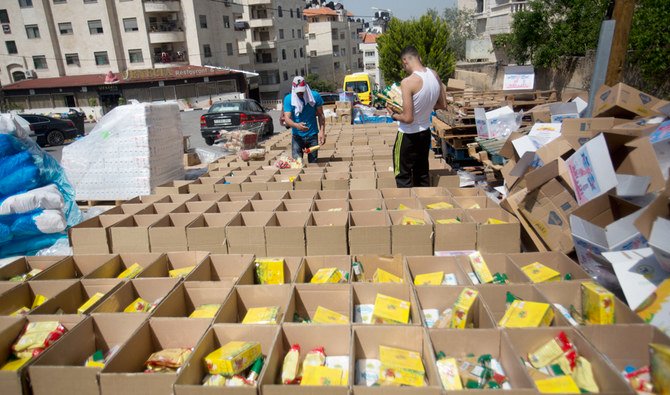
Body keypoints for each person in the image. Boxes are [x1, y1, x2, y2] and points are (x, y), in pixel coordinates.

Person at [387, 46, 447, 188]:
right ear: (418, 57)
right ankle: (422, 204)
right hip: (425, 133)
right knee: (421, 173)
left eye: (403, 65)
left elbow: (408, 118)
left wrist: (393, 114)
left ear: (405, 61)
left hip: (408, 135)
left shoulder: (408, 82)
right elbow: (443, 104)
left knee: (402, 174)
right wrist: (424, 106)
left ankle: (406, 207)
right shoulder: (434, 75)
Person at [283, 76, 326, 163]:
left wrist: (322, 132)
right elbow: (286, 118)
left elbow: (321, 115)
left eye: (302, 91)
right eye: (298, 92)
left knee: (313, 164)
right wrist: (297, 126)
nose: (300, 94)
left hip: (312, 135)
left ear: (306, 87)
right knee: (297, 164)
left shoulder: (315, 96)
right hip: (297, 137)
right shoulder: (289, 99)